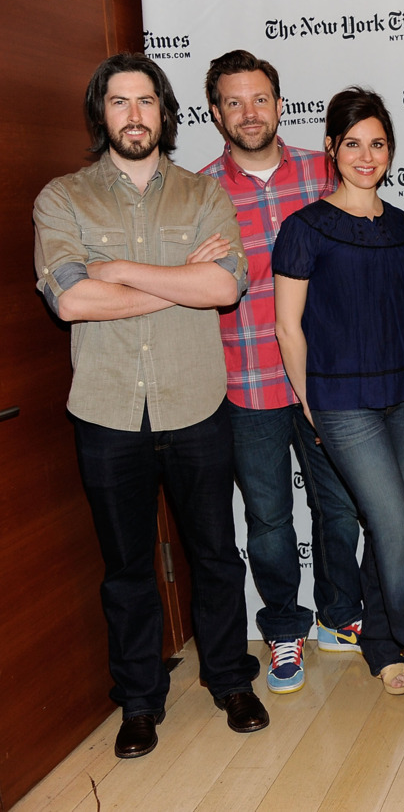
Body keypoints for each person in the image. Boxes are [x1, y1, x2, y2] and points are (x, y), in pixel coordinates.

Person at [33, 52, 268, 759]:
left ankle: (229, 679)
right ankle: (139, 700)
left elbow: (224, 289)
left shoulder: (203, 194)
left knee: (216, 556)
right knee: (128, 568)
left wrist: (120, 271)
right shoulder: (63, 198)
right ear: (100, 114)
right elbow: (71, 299)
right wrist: (179, 278)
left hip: (196, 405)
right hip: (108, 413)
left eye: (146, 102)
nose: (134, 116)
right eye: (119, 102)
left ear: (165, 112)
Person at [273, 87, 404, 722]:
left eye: (377, 143)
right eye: (353, 143)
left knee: (383, 524)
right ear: (330, 148)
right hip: (341, 401)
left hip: (403, 393)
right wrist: (310, 404)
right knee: (398, 527)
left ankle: (380, 643)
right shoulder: (304, 229)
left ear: (390, 150)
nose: (366, 156)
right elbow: (288, 327)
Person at [200, 50, 364, 696]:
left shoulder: (327, 170)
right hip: (248, 384)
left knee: (341, 507)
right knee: (268, 520)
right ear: (216, 113)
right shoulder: (197, 192)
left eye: (260, 98)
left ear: (279, 103)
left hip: (326, 379)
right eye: (234, 102)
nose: (249, 113)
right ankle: (283, 628)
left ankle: (339, 615)